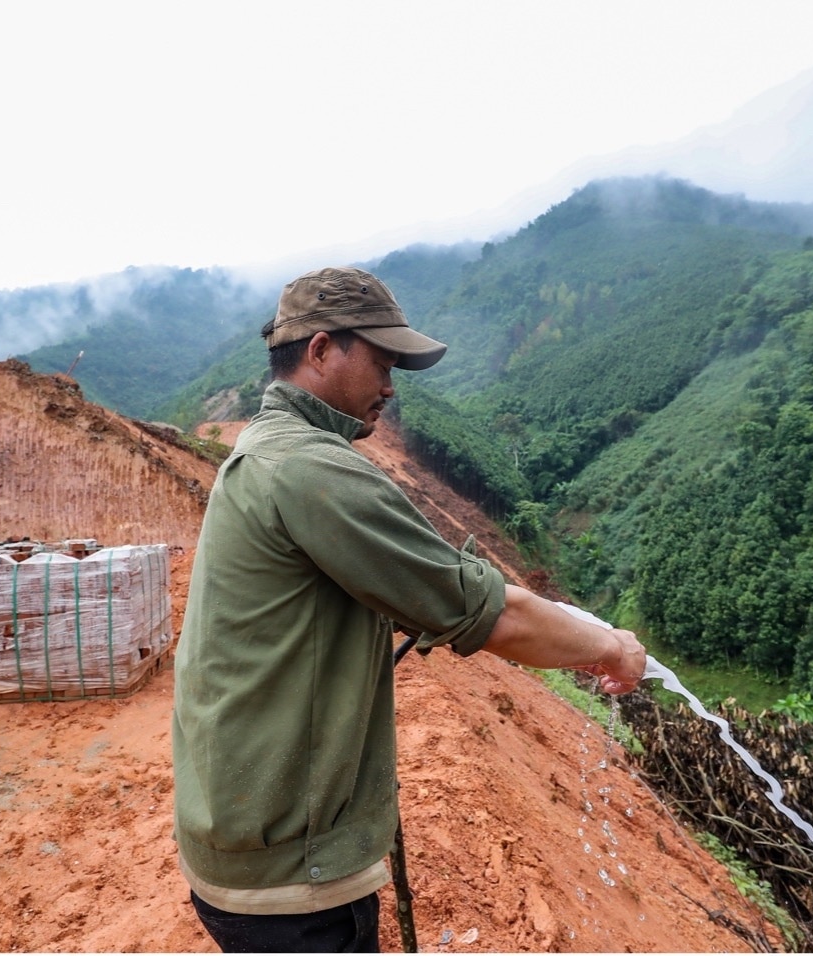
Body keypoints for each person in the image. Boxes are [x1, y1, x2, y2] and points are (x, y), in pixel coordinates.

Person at [171, 266, 646, 953]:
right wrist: (613, 649)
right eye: (382, 362)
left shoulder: (264, 449)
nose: (391, 388)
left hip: (243, 838)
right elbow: (498, 617)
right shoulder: (313, 471)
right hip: (291, 880)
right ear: (321, 350)